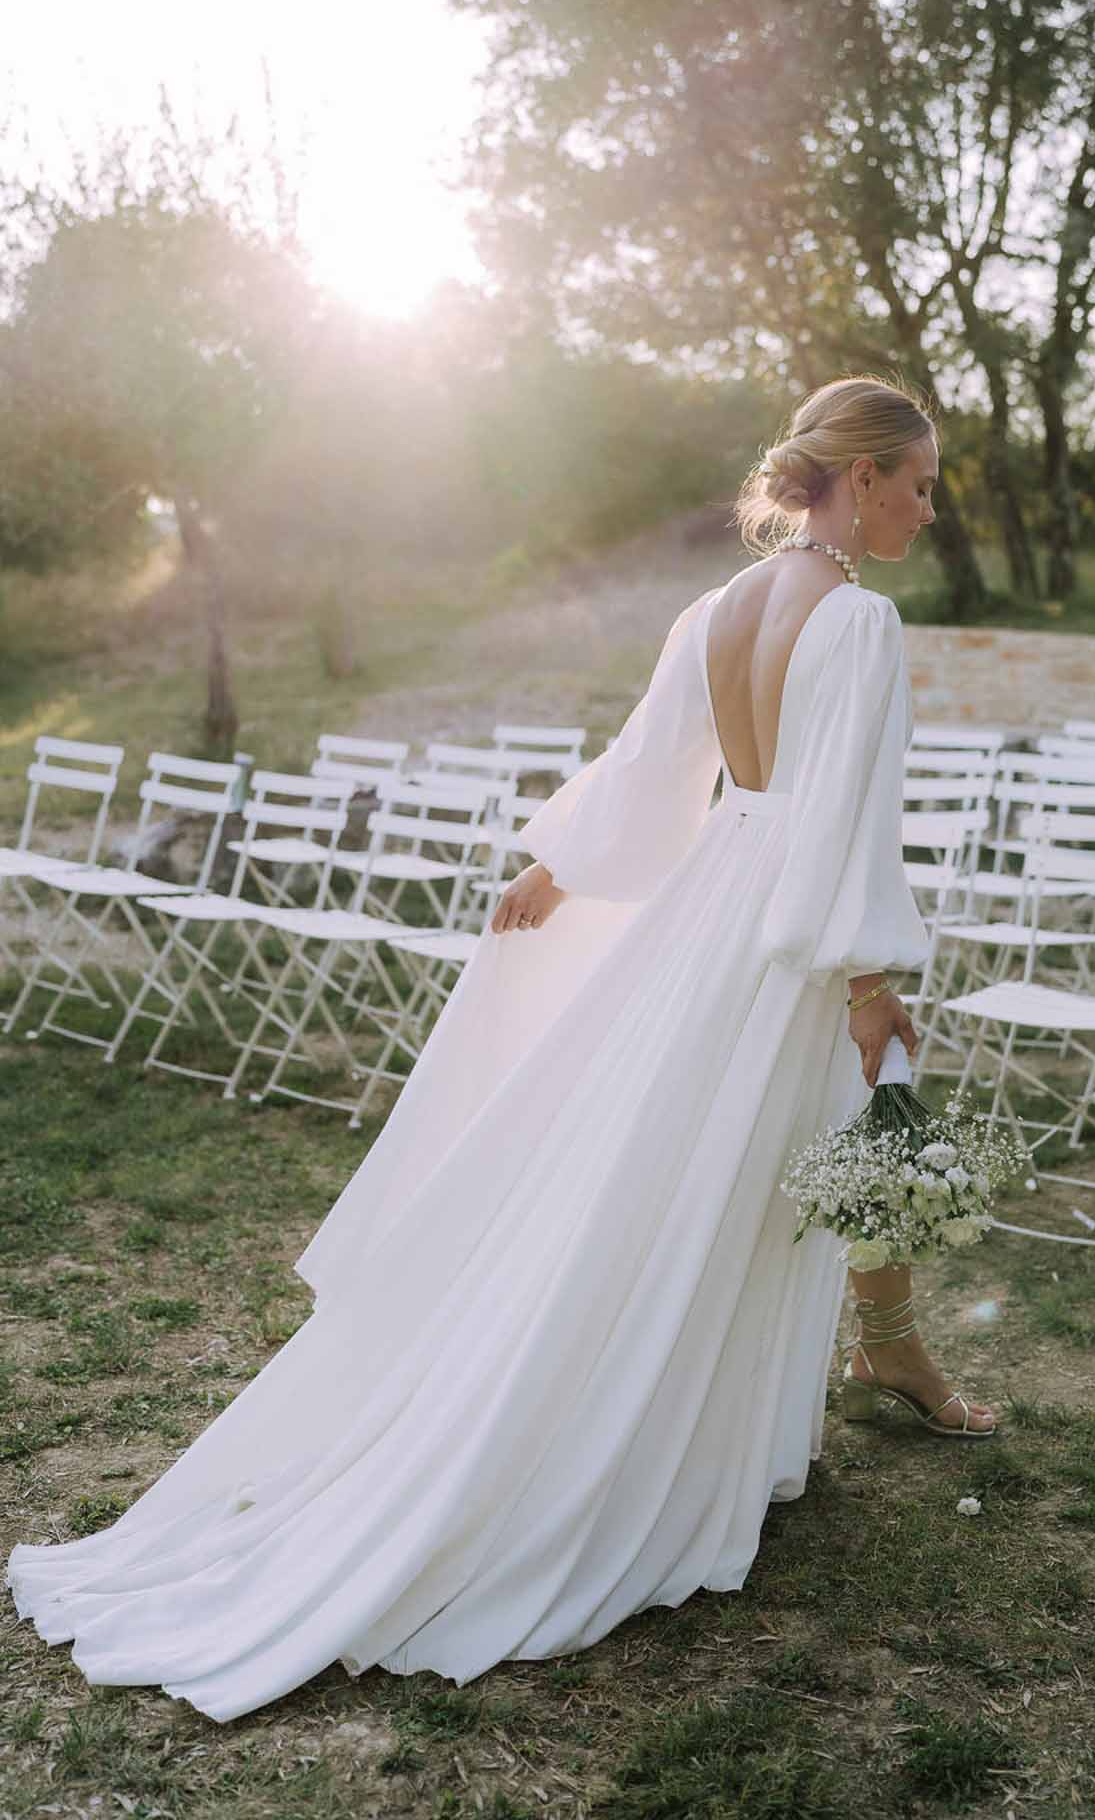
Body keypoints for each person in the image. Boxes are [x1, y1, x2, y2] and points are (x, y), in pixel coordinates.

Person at [6, 373, 993, 1726]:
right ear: (862, 479)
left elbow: (653, 769)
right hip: (779, 932)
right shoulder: (861, 624)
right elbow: (843, 812)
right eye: (920, 483)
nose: (927, 511)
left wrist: (559, 866)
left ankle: (876, 1354)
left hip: (711, 907)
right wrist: (868, 973)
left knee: (715, 1167)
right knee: (790, 1159)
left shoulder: (715, 610)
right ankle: (798, 1387)